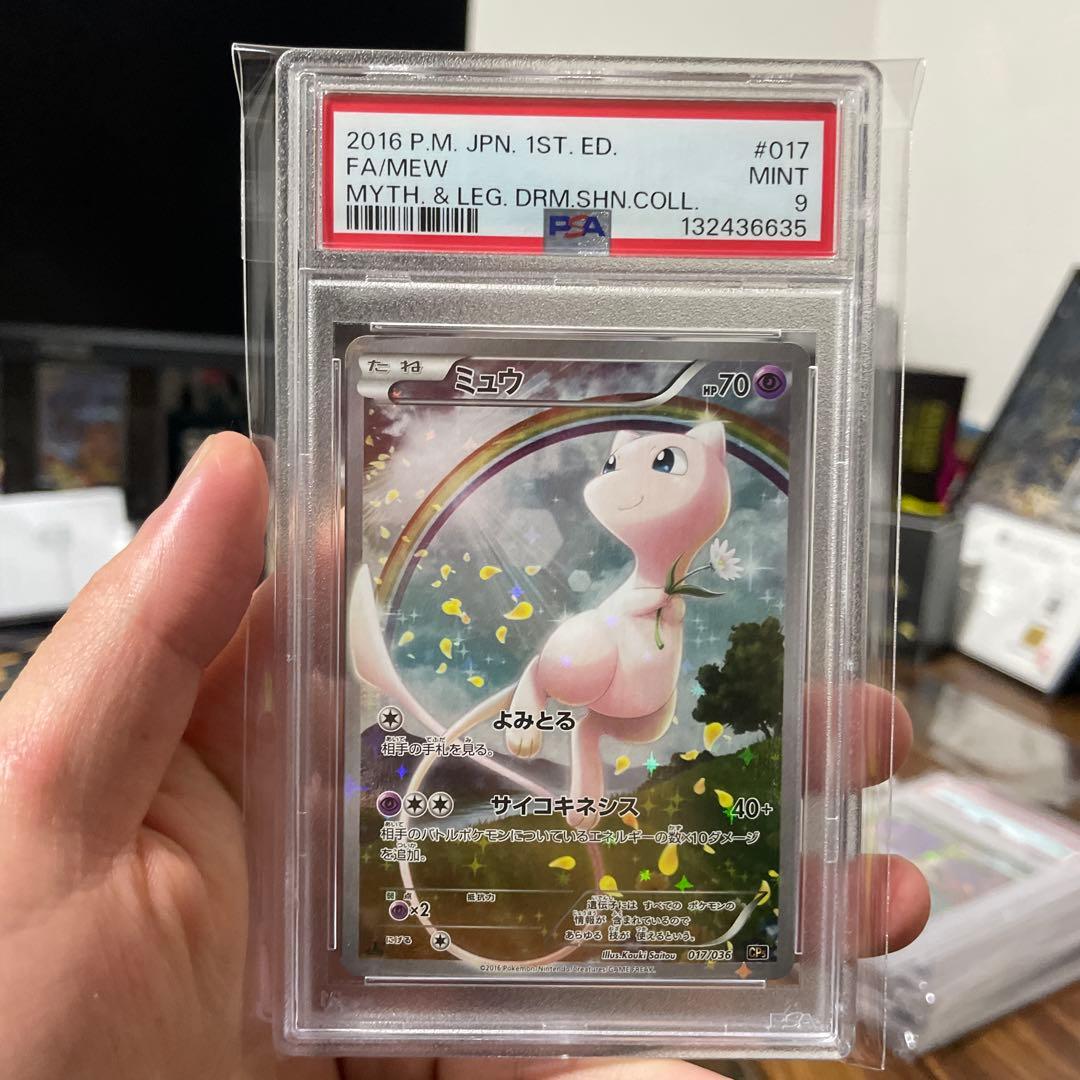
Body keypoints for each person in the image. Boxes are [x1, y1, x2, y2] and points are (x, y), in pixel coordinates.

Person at [0, 433, 930, 1079]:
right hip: (595, 703)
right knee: (566, 716)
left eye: (656, 463)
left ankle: (552, 751)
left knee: (582, 724)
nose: (625, 476)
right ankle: (541, 734)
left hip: (625, 701)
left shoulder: (669, 591)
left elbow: (663, 625)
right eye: (623, 463)